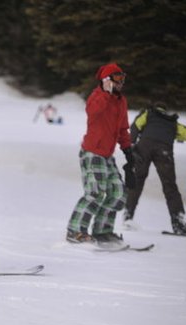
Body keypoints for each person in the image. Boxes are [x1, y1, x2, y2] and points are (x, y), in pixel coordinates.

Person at [66, 63, 134, 247]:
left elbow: (122, 129)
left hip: (107, 155)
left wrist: (128, 150)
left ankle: (103, 230)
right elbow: (93, 112)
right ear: (107, 80)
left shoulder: (121, 101)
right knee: (95, 192)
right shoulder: (97, 97)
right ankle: (76, 230)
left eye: (123, 78)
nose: (121, 83)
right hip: (92, 152)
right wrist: (105, 92)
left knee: (118, 193)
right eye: (117, 79)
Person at [124, 102, 186, 235]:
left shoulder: (148, 114)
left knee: (137, 181)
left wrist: (131, 145)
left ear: (155, 108)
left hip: (144, 149)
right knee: (170, 186)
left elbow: (135, 126)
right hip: (164, 151)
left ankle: (128, 216)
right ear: (165, 110)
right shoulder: (173, 122)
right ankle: (178, 222)